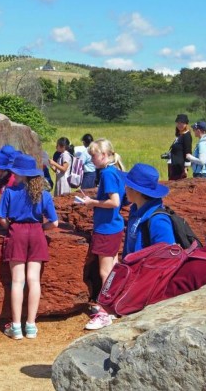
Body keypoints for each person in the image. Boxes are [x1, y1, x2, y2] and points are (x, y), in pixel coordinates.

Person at [0, 154, 59, 340]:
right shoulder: (44, 195)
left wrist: (10, 227)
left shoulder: (9, 191)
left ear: (18, 173)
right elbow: (54, 223)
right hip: (37, 234)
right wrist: (41, 227)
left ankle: (16, 326)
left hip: (17, 233)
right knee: (34, 280)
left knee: (17, 281)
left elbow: (1, 218)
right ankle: (30, 325)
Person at [77, 139, 126, 330]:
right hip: (113, 226)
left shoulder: (106, 173)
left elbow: (114, 202)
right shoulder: (114, 171)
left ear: (104, 155)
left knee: (105, 271)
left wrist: (92, 202)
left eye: (93, 155)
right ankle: (114, 304)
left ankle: (105, 310)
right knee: (114, 268)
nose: (92, 159)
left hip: (106, 228)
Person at [122, 163, 175, 257]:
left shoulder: (158, 220)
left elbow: (167, 258)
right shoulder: (135, 210)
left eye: (127, 185)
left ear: (137, 190)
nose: (124, 188)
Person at [167, 114, 192, 181]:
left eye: (182, 123)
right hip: (174, 165)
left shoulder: (186, 135)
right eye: (178, 123)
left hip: (180, 167)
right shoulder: (180, 135)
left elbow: (188, 151)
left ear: (186, 124)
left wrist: (185, 168)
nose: (180, 125)